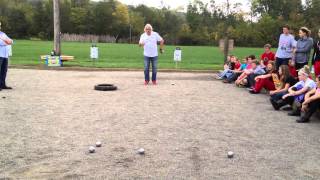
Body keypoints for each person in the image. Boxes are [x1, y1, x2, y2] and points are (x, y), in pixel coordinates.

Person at [0, 22, 13, 90]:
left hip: (5, 55)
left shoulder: (3, 34)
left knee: (4, 70)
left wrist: (9, 41)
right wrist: (6, 42)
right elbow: (1, 42)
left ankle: (2, 84)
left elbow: (11, 40)